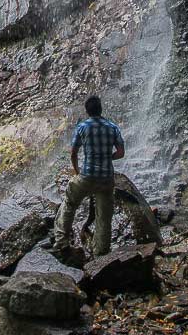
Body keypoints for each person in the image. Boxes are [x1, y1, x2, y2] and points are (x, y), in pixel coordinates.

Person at [54, 95, 125, 257]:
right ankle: (101, 252)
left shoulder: (83, 127)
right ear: (101, 109)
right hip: (106, 179)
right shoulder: (112, 127)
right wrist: (108, 157)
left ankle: (61, 241)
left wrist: (77, 171)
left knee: (70, 204)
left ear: (87, 111)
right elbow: (121, 153)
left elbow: (73, 153)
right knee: (104, 217)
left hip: (87, 176)